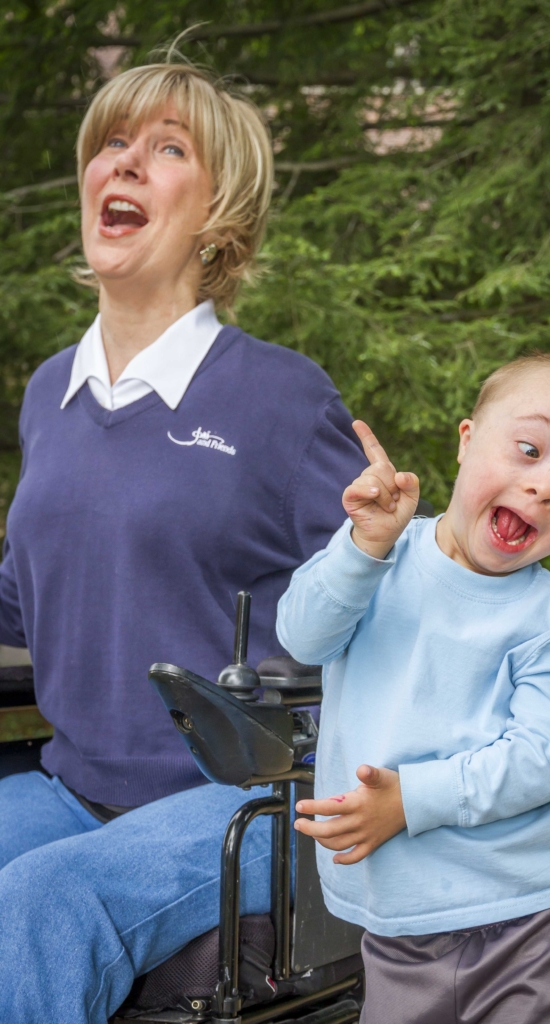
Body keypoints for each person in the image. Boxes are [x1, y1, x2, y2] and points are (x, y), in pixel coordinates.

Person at [0, 61, 366, 1023]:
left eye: (167, 150)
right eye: (112, 144)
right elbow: (24, 597)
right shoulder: (52, 393)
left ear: (219, 214)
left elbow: (380, 606)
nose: (125, 163)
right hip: (74, 788)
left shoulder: (282, 399)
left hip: (246, 809)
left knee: (45, 901)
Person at [277, 351, 550, 1024]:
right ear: (467, 440)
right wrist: (360, 552)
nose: (547, 487)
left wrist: (412, 799)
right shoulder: (377, 554)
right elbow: (302, 637)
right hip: (400, 926)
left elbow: (547, 755)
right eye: (529, 449)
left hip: (533, 924)